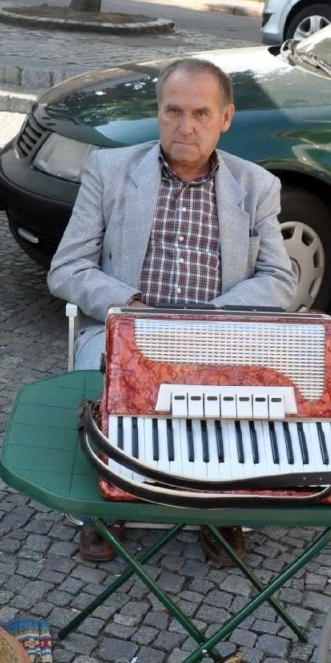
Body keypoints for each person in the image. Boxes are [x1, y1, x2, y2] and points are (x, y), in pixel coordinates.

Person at [48, 56, 299, 565]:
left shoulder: (256, 187)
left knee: (242, 387)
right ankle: (108, 498)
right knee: (112, 375)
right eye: (174, 111)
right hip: (129, 327)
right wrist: (134, 308)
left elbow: (280, 279)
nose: (186, 127)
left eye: (201, 114)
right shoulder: (110, 170)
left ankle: (218, 502)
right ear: (158, 112)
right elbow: (67, 268)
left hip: (220, 330)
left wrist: (210, 318)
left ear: (226, 118)